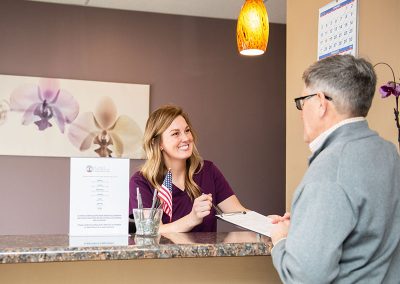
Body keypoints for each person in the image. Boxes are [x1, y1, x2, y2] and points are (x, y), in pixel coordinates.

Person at [270, 54, 400, 283]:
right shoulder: (388, 153)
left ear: (320, 102)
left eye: (302, 102)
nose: (301, 113)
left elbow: (304, 277)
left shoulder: (329, 172)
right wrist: (304, 222)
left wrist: (281, 240)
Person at [129, 105, 246, 233]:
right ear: (157, 143)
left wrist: (268, 223)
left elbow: (238, 214)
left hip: (209, 253)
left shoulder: (208, 170)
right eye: (175, 133)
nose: (186, 138)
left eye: (187, 130)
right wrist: (192, 218)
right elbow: (151, 231)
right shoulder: (141, 181)